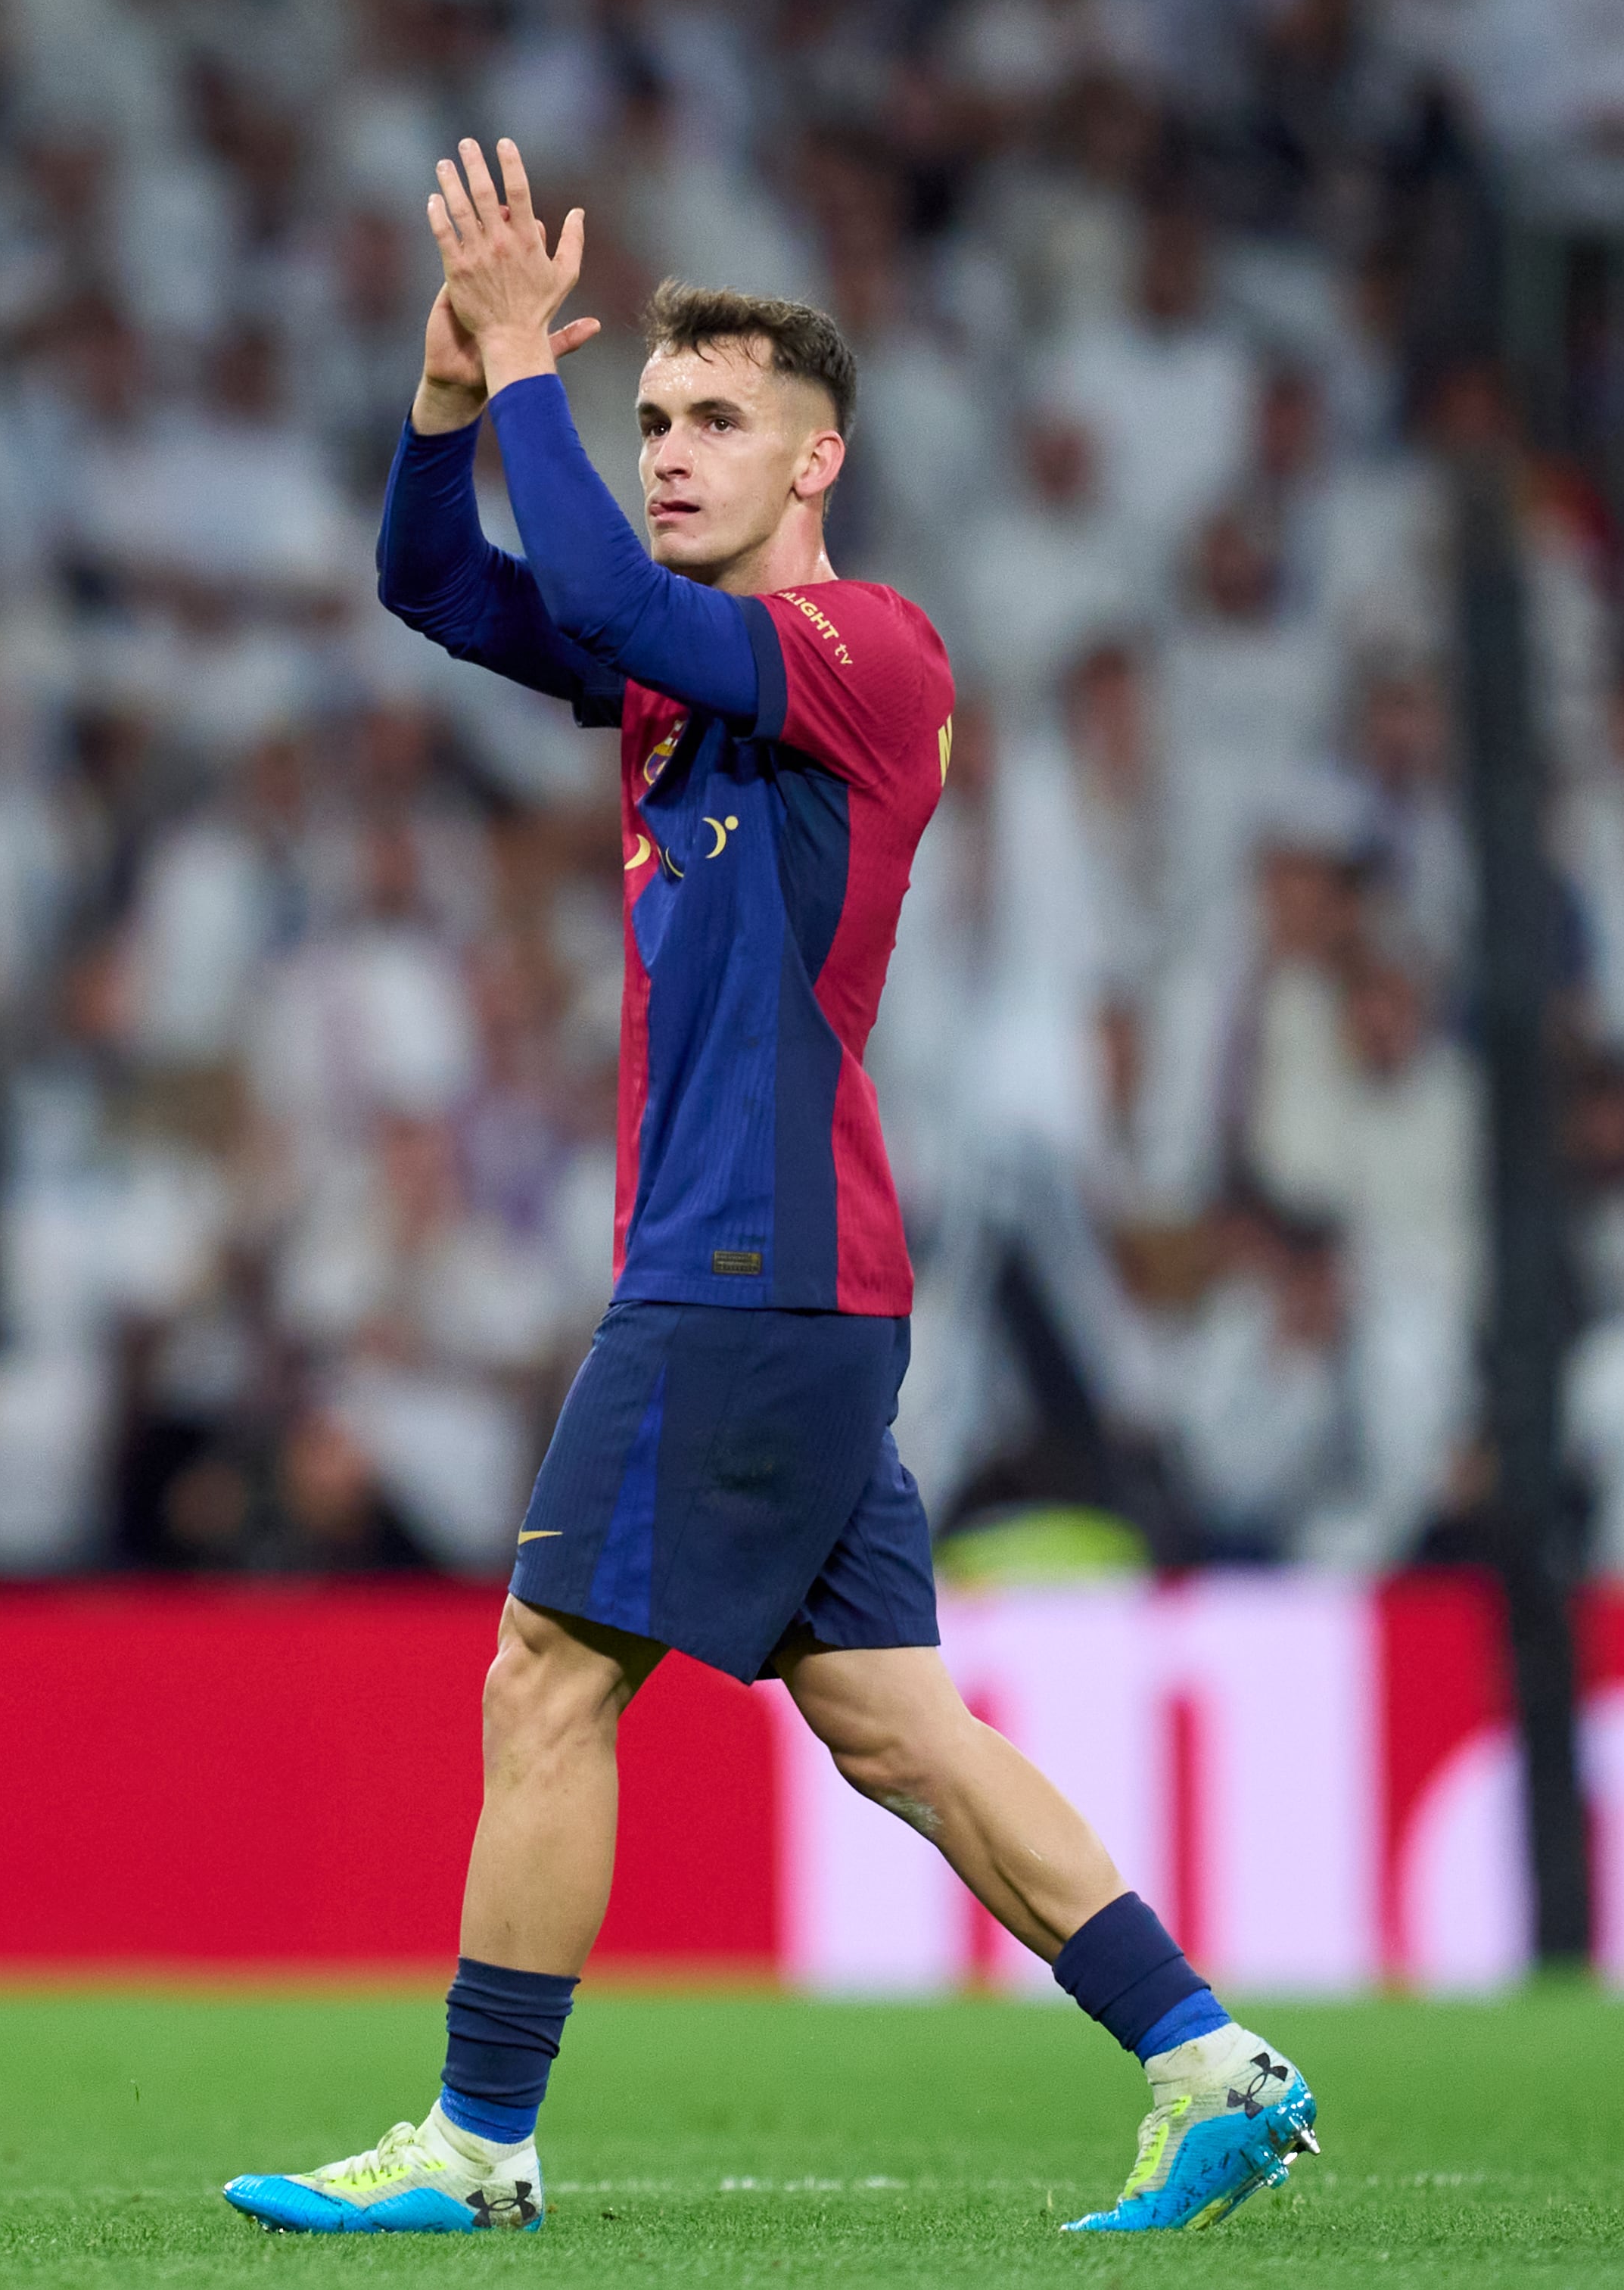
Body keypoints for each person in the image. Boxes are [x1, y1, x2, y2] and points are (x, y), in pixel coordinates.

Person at [219, 144, 1316, 2241]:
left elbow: (617, 605)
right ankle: (1213, 2063)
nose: (668, 451)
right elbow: (436, 587)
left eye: (715, 419)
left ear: (823, 460)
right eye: (648, 422)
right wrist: (461, 391)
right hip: (788, 1274)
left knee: (546, 1674)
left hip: (749, 1262)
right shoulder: (676, 678)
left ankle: (477, 2142)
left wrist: (535, 343)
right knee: (898, 1728)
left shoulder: (869, 654)